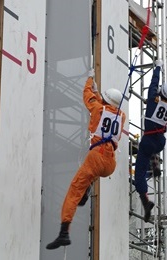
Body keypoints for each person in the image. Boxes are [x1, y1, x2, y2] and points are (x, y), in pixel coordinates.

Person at [46, 69, 126, 250]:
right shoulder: (121, 116)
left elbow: (88, 96)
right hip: (110, 163)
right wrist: (99, 94)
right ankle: (88, 186)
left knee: (74, 190)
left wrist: (90, 80)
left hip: (96, 156)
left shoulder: (98, 108)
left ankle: (64, 232)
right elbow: (105, 106)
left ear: (105, 101)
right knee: (92, 174)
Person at [134, 60, 167, 222]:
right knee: (152, 150)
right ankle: (155, 164)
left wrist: (157, 68)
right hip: (160, 141)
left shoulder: (153, 99)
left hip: (149, 140)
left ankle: (146, 202)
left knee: (139, 174)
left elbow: (153, 83)